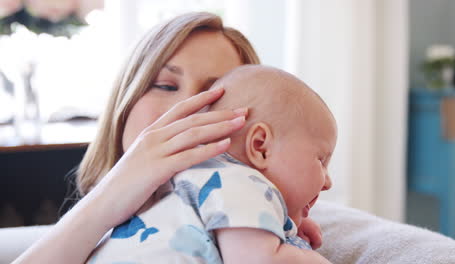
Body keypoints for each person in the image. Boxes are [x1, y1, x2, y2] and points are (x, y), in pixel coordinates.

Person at [12, 12, 323, 264]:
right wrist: (111, 194)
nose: (184, 109)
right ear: (126, 102)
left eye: (214, 96)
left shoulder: (252, 214)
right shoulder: (104, 231)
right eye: (165, 85)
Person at [86, 65, 336, 263]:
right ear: (260, 146)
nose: (327, 181)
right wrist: (307, 257)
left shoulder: (189, 179)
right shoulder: (243, 183)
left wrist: (285, 226)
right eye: (321, 160)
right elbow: (257, 260)